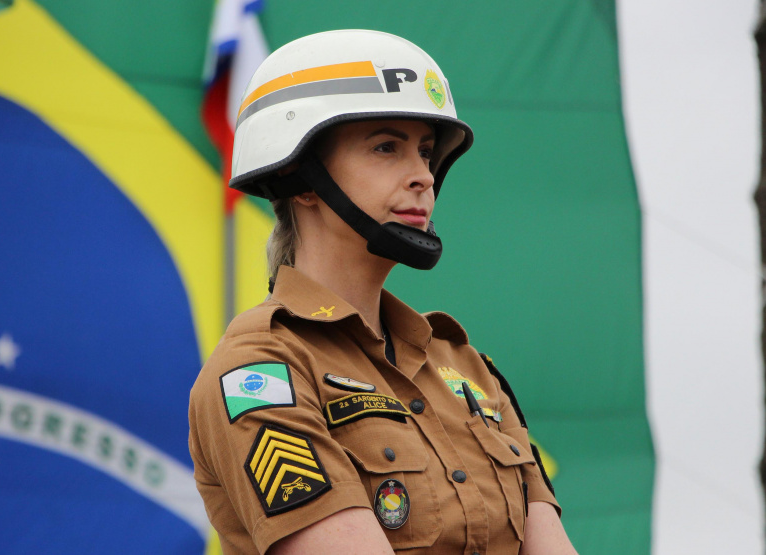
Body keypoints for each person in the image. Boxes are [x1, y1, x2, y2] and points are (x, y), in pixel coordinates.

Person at [188, 29, 578, 554]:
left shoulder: (469, 369)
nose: (423, 176)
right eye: (386, 147)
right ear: (299, 177)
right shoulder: (260, 373)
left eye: (425, 151)